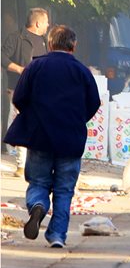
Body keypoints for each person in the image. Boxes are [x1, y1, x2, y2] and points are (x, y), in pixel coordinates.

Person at [3, 25, 100, 248]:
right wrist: (76, 119)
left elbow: (19, 97)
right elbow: (93, 102)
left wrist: (34, 116)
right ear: (73, 46)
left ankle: (37, 205)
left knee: (38, 181)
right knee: (64, 189)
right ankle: (57, 236)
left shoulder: (35, 66)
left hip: (39, 137)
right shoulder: (82, 71)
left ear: (49, 44)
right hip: (70, 139)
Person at [2, 7, 50, 176]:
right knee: (24, 121)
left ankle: (34, 162)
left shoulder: (46, 41)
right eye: (45, 22)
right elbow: (2, 57)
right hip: (20, 88)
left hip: (40, 90)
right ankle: (22, 164)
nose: (48, 25)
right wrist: (20, 69)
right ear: (37, 23)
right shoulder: (16, 38)